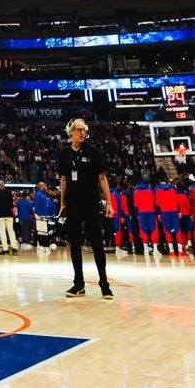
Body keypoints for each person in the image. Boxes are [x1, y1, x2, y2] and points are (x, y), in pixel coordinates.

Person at [57, 116, 113, 299]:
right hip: (73, 205)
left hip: (90, 203)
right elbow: (63, 180)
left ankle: (104, 284)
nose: (82, 133)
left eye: (84, 130)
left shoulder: (93, 152)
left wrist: (109, 203)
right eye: (79, 130)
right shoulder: (64, 154)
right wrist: (62, 203)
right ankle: (78, 284)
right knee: (74, 245)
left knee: (97, 243)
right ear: (71, 132)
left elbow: (102, 178)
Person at [0, 178, 16, 253]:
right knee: (11, 231)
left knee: (2, 233)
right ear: (4, 185)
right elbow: (12, 205)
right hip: (9, 215)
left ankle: (5, 249)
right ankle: (14, 249)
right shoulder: (9, 193)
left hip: (0, 215)